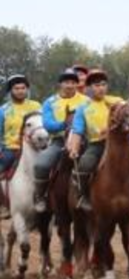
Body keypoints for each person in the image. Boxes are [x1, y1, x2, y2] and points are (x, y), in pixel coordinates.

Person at [68, 71, 126, 211]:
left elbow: (128, 114)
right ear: (89, 88)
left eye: (103, 84)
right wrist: (74, 149)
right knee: (84, 164)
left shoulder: (117, 101)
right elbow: (77, 131)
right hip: (97, 144)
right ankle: (83, 196)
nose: (100, 88)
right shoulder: (83, 108)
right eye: (96, 85)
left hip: (120, 143)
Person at [32, 68, 85, 212]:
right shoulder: (50, 102)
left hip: (84, 141)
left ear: (77, 84)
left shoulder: (86, 100)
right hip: (59, 141)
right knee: (41, 165)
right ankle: (40, 196)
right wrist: (65, 124)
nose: (69, 85)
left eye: (73, 82)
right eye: (66, 82)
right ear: (60, 84)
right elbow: (48, 124)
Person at [0, 74, 41, 179]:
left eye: (23, 88)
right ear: (11, 90)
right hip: (12, 148)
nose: (20, 91)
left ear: (27, 89)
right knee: (5, 162)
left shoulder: (36, 106)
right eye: (16, 88)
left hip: (36, 147)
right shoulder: (4, 110)